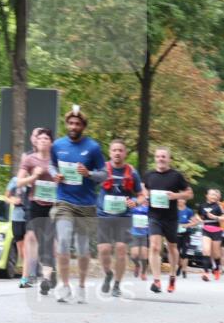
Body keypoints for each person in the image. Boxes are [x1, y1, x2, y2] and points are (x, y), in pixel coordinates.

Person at [50, 107, 106, 304]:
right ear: (67, 124)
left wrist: (89, 174)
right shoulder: (57, 145)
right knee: (64, 241)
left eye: (77, 124)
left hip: (86, 205)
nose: (73, 127)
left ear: (83, 126)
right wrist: (54, 174)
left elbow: (104, 174)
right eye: (71, 123)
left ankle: (81, 287)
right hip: (64, 201)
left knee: (82, 249)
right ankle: (64, 286)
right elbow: (51, 165)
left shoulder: (93, 148)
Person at [96, 139, 144, 298]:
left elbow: (142, 195)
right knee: (103, 250)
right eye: (114, 150)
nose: (117, 153)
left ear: (124, 153)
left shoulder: (132, 172)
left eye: (120, 150)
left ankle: (117, 284)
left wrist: (135, 202)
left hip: (124, 216)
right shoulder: (102, 169)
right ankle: (108, 273)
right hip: (104, 215)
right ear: (110, 153)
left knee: (121, 250)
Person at [142, 147, 193, 294]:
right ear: (155, 159)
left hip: (170, 218)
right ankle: (157, 281)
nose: (160, 159)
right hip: (154, 216)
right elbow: (143, 189)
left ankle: (172, 276)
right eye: (158, 156)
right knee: (155, 247)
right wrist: (146, 197)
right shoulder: (149, 175)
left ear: (169, 159)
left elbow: (190, 194)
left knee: (172, 247)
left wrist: (176, 196)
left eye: (163, 156)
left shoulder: (176, 176)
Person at [17, 127, 57, 294]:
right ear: (36, 141)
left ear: (51, 142)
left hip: (53, 206)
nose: (42, 141)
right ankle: (33, 275)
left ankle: (46, 278)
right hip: (35, 204)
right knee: (34, 239)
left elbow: (66, 181)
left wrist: (58, 179)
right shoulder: (29, 159)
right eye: (40, 138)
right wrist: (34, 176)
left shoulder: (56, 160)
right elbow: (19, 182)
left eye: (46, 138)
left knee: (47, 242)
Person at [4, 175, 28, 287]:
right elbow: (6, 197)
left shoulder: (36, 178)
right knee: (21, 250)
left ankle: (25, 278)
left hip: (31, 216)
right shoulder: (15, 180)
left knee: (28, 248)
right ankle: (27, 275)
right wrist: (13, 200)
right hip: (17, 217)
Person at [197, 189, 224, 281]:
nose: (214, 196)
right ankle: (206, 273)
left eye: (215, 195)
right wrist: (199, 219)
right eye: (212, 195)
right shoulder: (202, 206)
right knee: (206, 250)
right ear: (207, 195)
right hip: (206, 229)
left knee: (216, 254)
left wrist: (215, 217)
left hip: (216, 230)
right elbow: (197, 215)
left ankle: (216, 269)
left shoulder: (219, 206)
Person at [176, 198, 197, 280]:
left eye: (181, 199)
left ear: (185, 200)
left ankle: (184, 271)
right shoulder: (174, 210)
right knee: (176, 253)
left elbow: (195, 222)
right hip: (176, 234)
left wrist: (186, 225)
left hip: (186, 234)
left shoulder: (189, 211)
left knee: (184, 253)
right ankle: (180, 266)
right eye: (178, 200)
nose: (180, 201)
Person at [129, 201, 150, 280]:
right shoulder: (134, 201)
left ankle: (143, 273)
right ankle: (137, 265)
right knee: (134, 255)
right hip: (134, 233)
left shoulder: (149, 206)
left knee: (144, 256)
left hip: (145, 234)